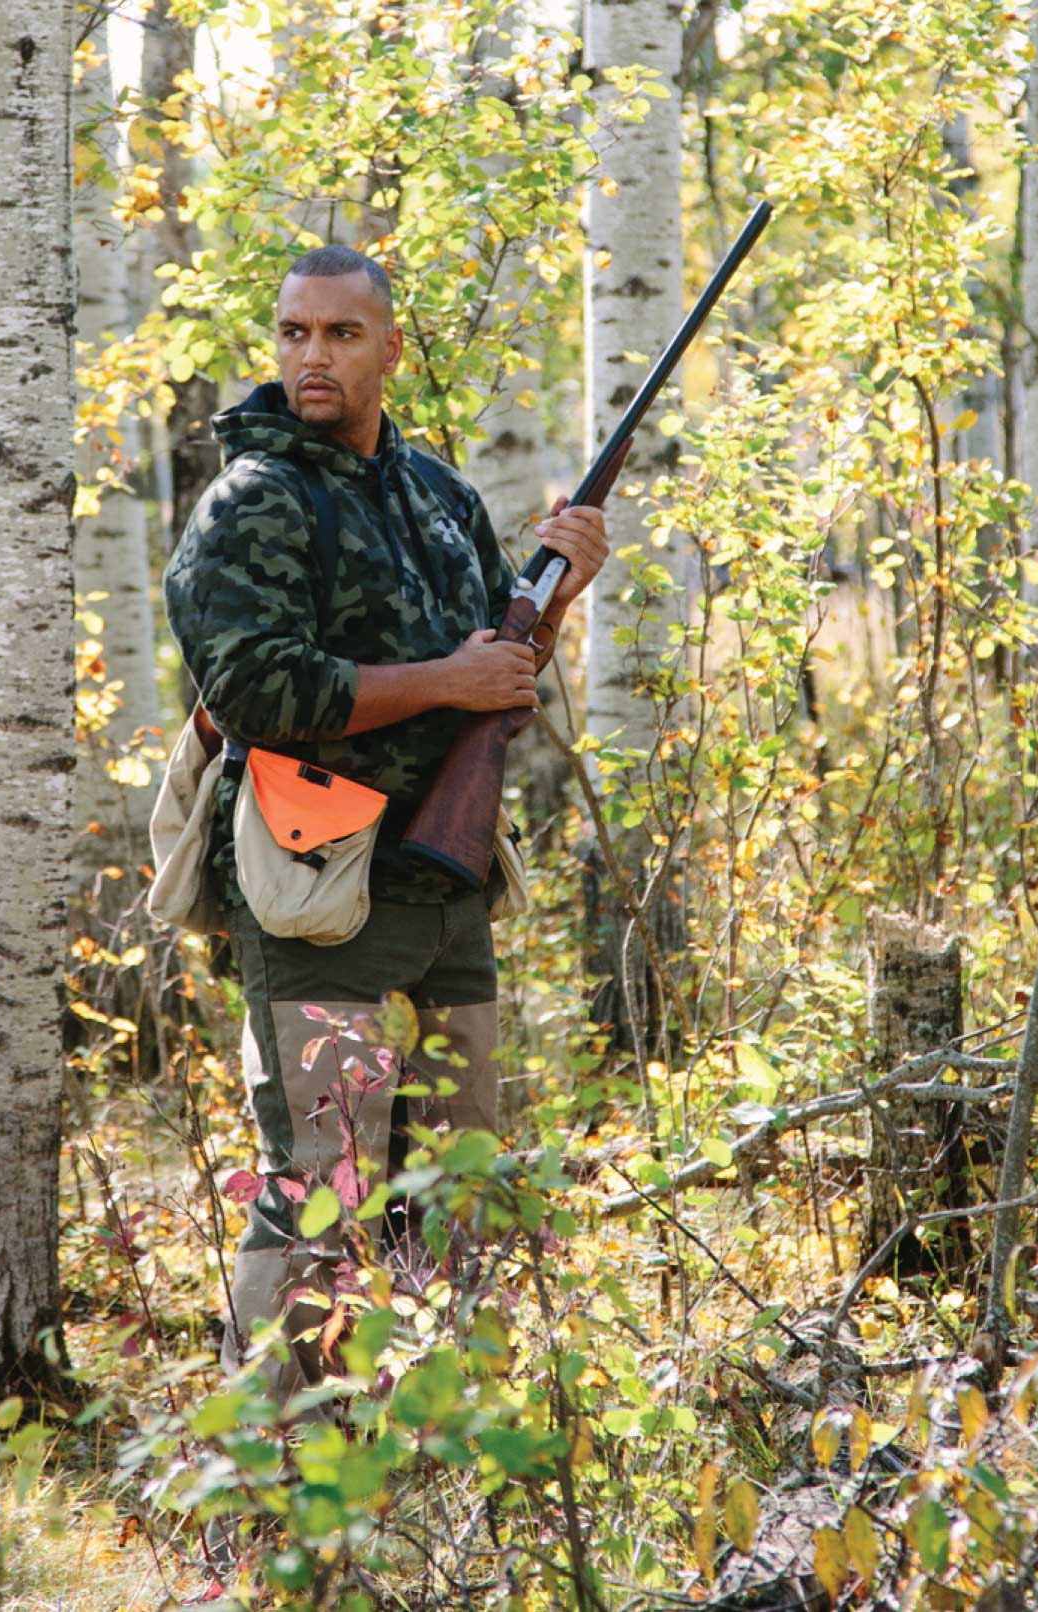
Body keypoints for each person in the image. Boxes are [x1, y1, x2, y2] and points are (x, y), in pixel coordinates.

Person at [162, 243, 608, 1400]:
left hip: (445, 881)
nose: (314, 356)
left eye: (341, 334)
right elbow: (256, 690)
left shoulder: (437, 494)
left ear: (388, 348)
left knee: (457, 1185)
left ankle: (425, 1466)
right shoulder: (252, 503)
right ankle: (265, 1483)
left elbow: (494, 674)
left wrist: (554, 600)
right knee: (324, 1189)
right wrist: (445, 682)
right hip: (320, 888)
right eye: (294, 333)